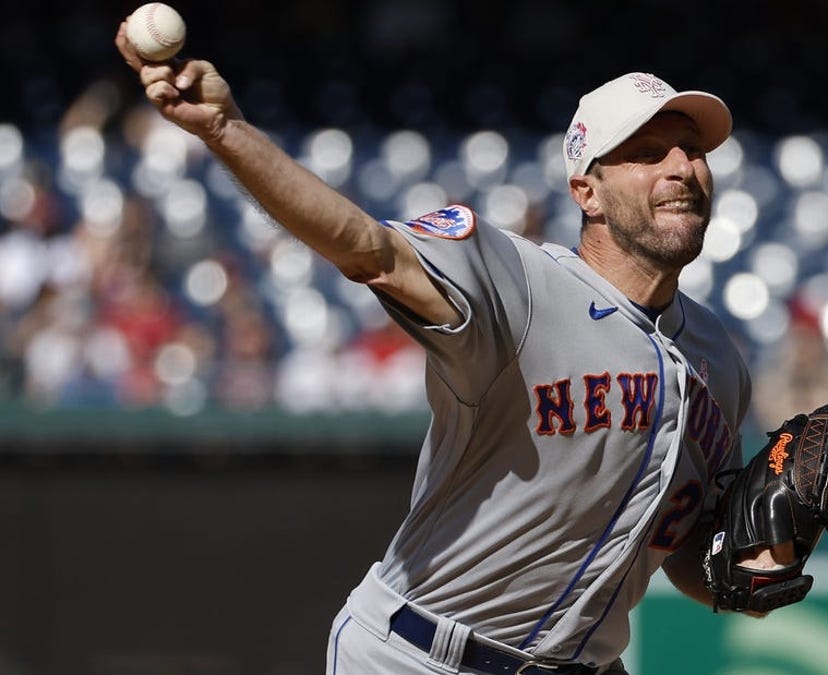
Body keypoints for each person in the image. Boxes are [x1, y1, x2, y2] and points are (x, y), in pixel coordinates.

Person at [117, 21, 792, 675]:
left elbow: (687, 554)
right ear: (586, 190)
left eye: (692, 151)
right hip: (422, 654)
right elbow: (370, 251)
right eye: (647, 153)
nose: (682, 167)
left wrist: (756, 564)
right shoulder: (518, 283)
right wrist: (226, 129)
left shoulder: (717, 358)